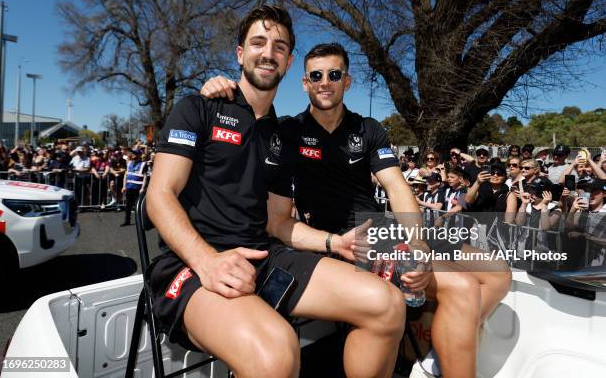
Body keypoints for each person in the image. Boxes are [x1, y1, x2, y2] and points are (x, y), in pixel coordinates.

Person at [202, 42, 511, 378]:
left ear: (346, 82)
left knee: (498, 272)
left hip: (384, 229)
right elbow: (250, 111)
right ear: (304, 83)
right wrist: (219, 87)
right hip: (344, 240)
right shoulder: (288, 131)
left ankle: (443, 344)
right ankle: (444, 350)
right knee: (462, 287)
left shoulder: (368, 128)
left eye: (334, 74)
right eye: (315, 75)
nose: (325, 81)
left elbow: (396, 186)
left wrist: (418, 244)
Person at [147, 6, 406, 378]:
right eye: (258, 42)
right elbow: (159, 196)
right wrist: (207, 261)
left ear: (287, 64)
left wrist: (335, 243)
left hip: (265, 256)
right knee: (276, 353)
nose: (268, 52)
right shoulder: (197, 108)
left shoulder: (283, 137)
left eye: (280, 47)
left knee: (387, 304)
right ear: (240, 53)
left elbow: (278, 222)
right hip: (191, 265)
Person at [121, 149, 146, 226]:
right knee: (128, 205)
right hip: (129, 187)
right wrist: (124, 186)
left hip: (137, 188)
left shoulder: (143, 164)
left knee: (138, 206)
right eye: (132, 153)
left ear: (138, 155)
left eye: (134, 153)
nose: (132, 155)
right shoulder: (129, 163)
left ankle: (140, 221)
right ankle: (127, 221)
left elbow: (145, 177)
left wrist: (142, 188)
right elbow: (126, 175)